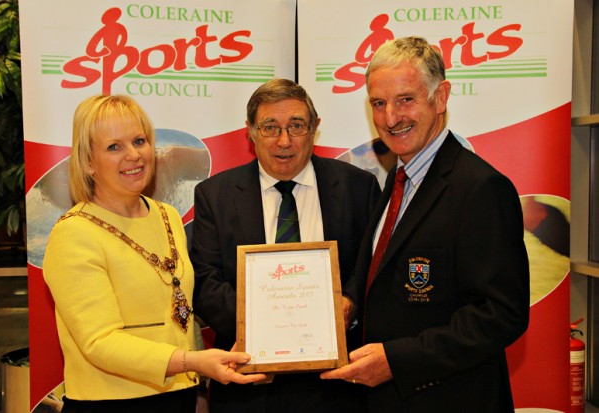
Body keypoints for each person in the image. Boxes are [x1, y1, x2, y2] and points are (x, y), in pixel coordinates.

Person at [321, 36, 530, 413]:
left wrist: (399, 361)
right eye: (378, 103)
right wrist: (350, 303)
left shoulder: (482, 188)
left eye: (406, 100)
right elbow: (383, 270)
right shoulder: (396, 178)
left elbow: (501, 315)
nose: (390, 118)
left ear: (441, 97)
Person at [43, 94, 265, 413]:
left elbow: (179, 312)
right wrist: (193, 362)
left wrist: (204, 372)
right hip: (112, 402)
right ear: (88, 162)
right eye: (114, 147)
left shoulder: (167, 216)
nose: (134, 155)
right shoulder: (74, 233)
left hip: (178, 394)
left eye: (139, 140)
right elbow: (99, 343)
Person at [190, 78, 382, 413]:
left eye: (296, 126)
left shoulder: (358, 187)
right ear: (251, 131)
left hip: (336, 384)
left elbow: (373, 267)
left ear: (314, 128)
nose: (284, 141)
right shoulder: (215, 195)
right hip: (248, 384)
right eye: (270, 127)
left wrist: (348, 304)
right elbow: (206, 282)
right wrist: (262, 331)